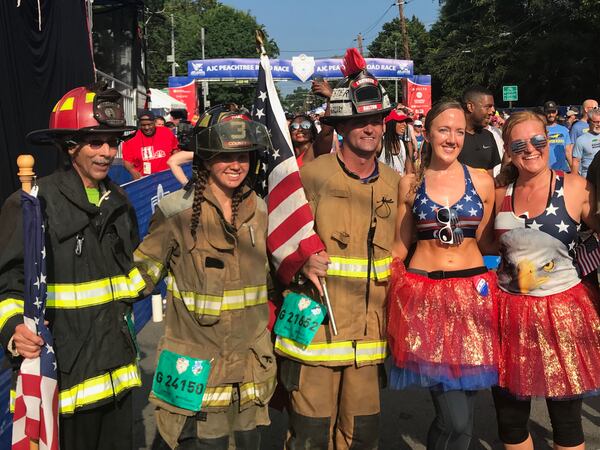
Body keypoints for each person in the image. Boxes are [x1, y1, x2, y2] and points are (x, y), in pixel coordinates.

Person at [0, 83, 145, 450]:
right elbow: (9, 284)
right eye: (95, 142)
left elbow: (129, 277)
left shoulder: (121, 201)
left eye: (112, 142)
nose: (107, 152)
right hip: (65, 383)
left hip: (119, 377)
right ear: (69, 145)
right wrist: (14, 329)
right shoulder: (32, 204)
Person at [275, 49, 400, 449]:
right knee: (310, 435)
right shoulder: (311, 176)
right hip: (315, 331)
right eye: (359, 121)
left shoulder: (395, 185)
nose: (370, 129)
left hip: (368, 337)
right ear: (340, 127)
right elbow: (276, 234)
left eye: (376, 120)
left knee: (362, 435)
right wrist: (300, 258)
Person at [133, 106, 276, 449]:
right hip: (197, 371)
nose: (235, 164)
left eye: (243, 155)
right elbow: (140, 276)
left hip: (249, 368)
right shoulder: (175, 213)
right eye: (224, 155)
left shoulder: (261, 211)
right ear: (205, 158)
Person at [388, 101, 497, 449]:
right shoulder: (409, 182)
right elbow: (399, 247)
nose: (452, 138)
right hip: (425, 299)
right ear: (428, 132)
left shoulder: (482, 181)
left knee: (463, 416)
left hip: (474, 299)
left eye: (459, 131)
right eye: (444, 130)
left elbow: (489, 240)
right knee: (455, 418)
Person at [493, 110, 600, 449]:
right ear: (508, 150)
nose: (531, 149)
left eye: (538, 140)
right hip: (508, 314)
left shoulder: (577, 187)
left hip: (563, 314)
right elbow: (480, 244)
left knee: (566, 421)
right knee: (510, 420)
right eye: (520, 143)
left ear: (549, 140)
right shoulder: (498, 192)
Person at [121, 110, 179, 179]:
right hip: (146, 181)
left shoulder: (166, 132)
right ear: (139, 124)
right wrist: (133, 171)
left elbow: (175, 149)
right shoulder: (131, 140)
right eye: (143, 125)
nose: (147, 128)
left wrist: (176, 165)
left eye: (149, 124)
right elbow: (127, 161)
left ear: (154, 122)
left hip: (167, 178)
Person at [458, 86, 501, 176]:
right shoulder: (450, 138)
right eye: (488, 106)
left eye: (493, 106)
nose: (492, 111)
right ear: (470, 107)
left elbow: (490, 176)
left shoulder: (489, 136)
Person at [379, 109, 414, 175]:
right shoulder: (380, 143)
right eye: (400, 121)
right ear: (391, 123)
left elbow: (409, 173)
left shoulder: (404, 144)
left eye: (405, 122)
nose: (404, 124)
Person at [544, 100, 573, 172]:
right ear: (544, 112)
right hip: (546, 171)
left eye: (553, 112)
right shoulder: (540, 129)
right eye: (548, 112)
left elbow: (568, 151)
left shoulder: (564, 130)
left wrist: (573, 169)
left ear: (556, 112)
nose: (551, 115)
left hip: (562, 170)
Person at [572, 107, 600, 177]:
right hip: (588, 178)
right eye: (596, 122)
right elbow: (576, 161)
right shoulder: (581, 140)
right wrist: (575, 179)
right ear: (588, 121)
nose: (599, 124)